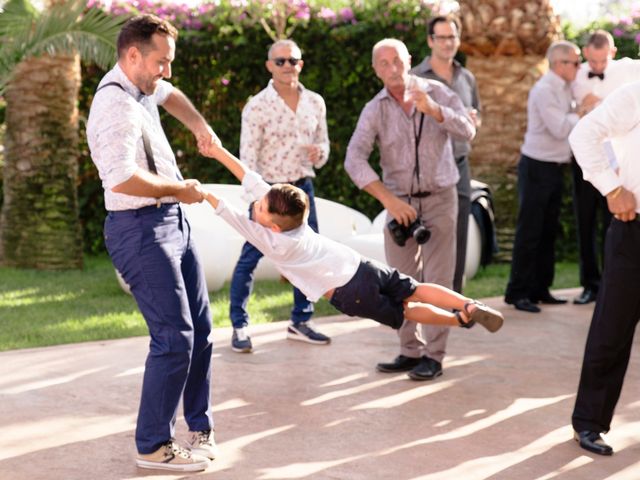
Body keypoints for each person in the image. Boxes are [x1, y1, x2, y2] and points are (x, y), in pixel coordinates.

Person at [86, 14, 217, 472]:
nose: (167, 71)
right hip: (139, 229)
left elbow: (172, 94)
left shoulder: (142, 82)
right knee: (174, 338)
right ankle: (152, 445)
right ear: (133, 54)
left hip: (171, 222)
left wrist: (200, 127)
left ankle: (198, 426)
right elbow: (120, 177)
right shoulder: (115, 105)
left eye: (170, 62)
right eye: (162, 62)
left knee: (200, 330)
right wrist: (177, 189)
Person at [199, 141, 503, 336]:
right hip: (361, 266)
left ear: (274, 227)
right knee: (416, 288)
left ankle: (458, 320)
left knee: (406, 311)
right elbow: (247, 175)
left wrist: (202, 192)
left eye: (262, 205)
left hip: (348, 292)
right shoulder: (293, 218)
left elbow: (230, 213)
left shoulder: (275, 243)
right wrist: (217, 151)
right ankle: (467, 303)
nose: (256, 202)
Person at [344, 38, 476, 381]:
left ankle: (434, 356)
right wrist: (388, 200)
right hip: (399, 203)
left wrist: (434, 110)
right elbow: (353, 159)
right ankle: (409, 350)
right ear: (376, 70)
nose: (392, 69)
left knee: (438, 278)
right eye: (383, 64)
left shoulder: (438, 91)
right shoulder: (375, 108)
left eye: (397, 61)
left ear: (409, 61)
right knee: (398, 282)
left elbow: (468, 129)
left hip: (440, 197)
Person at [229, 39, 330, 353]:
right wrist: (260, 199)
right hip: (268, 191)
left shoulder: (315, 102)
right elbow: (247, 158)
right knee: (250, 257)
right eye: (281, 61)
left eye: (294, 60)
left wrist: (320, 153)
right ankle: (239, 325)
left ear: (301, 64)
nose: (289, 66)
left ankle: (300, 321)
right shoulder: (257, 106)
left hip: (303, 190)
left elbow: (324, 146)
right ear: (269, 65)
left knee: (307, 255)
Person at [568, 81, 640, 456]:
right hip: (634, 232)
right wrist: (612, 189)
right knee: (612, 329)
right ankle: (589, 423)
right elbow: (583, 135)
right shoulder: (635, 93)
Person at [503, 41, 581, 313]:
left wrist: (575, 112)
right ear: (559, 64)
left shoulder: (567, 86)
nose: (579, 67)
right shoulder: (544, 90)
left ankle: (540, 289)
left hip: (555, 167)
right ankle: (517, 292)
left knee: (548, 231)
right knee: (530, 232)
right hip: (536, 167)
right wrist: (581, 113)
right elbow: (560, 128)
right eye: (575, 62)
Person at [410, 14, 482, 294]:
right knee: (423, 234)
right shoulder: (415, 78)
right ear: (430, 40)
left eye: (452, 37)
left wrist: (473, 120)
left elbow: (476, 118)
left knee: (458, 230)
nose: (447, 43)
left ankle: (454, 300)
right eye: (441, 37)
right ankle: (422, 297)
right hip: (426, 168)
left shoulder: (467, 78)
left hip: (459, 163)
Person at [570, 30, 640, 305]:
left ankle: (612, 282)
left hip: (624, 167)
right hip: (592, 162)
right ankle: (590, 285)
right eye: (593, 61)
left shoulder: (629, 70)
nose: (598, 66)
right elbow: (573, 127)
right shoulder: (574, 75)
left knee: (611, 225)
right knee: (585, 223)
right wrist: (579, 108)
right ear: (586, 54)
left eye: (604, 60)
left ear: (612, 52)